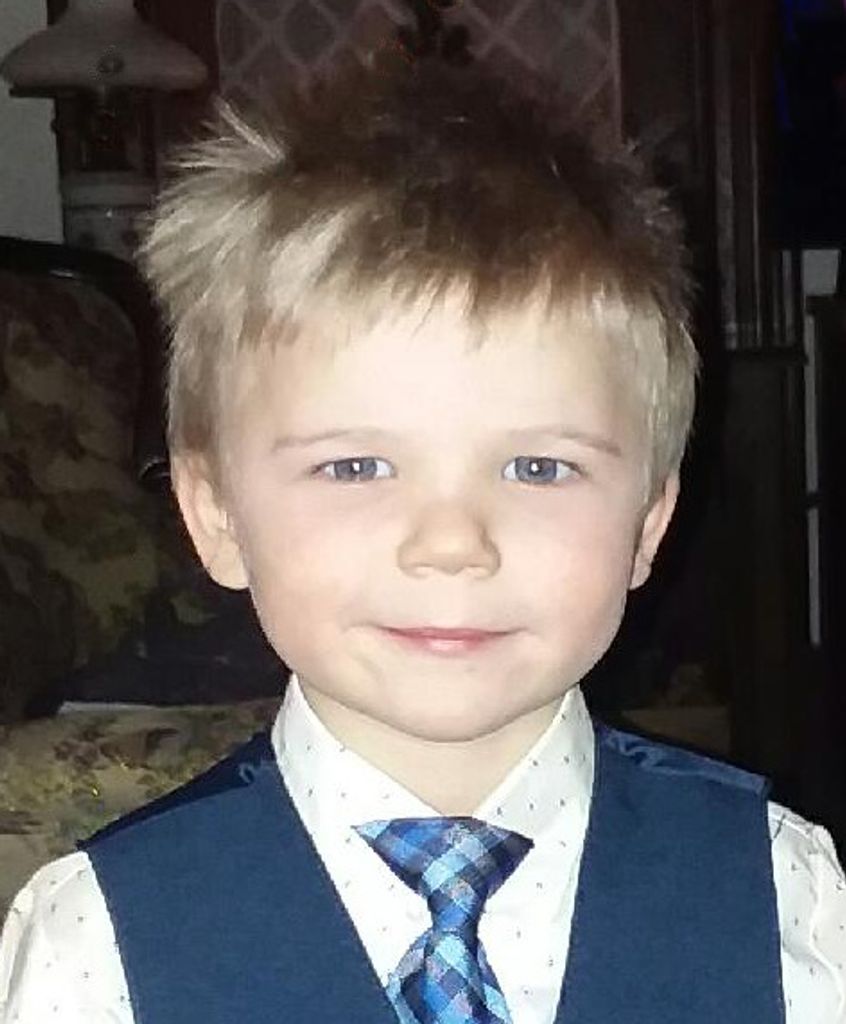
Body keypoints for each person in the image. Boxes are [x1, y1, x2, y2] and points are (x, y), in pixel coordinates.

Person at [1, 56, 844, 1024]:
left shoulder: (783, 893)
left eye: (539, 468)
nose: (452, 544)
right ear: (216, 515)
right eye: (356, 466)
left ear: (649, 522)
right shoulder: (92, 940)